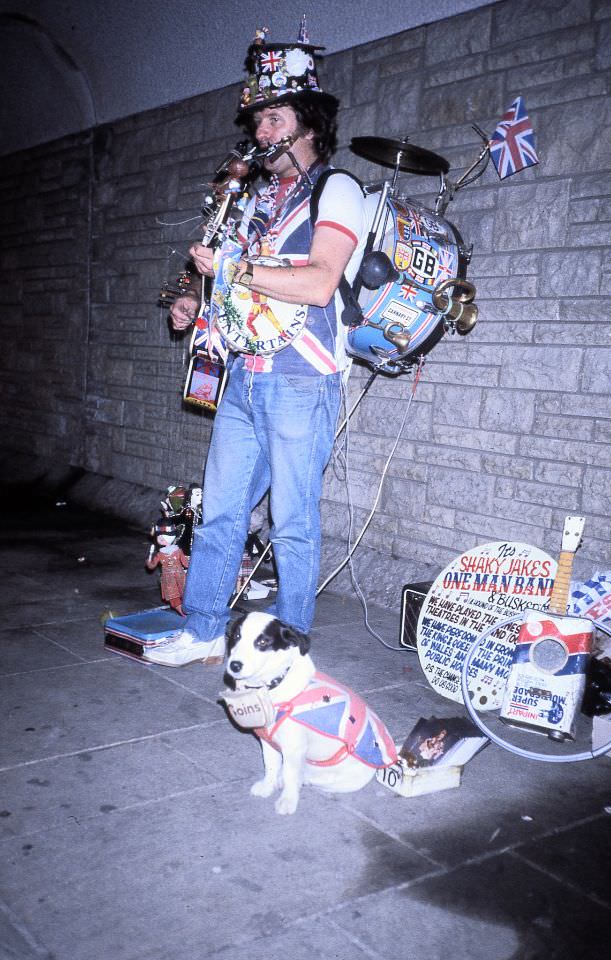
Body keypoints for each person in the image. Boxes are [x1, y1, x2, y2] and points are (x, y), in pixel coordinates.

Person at [145, 25, 367, 666]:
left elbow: (321, 282)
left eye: (276, 117)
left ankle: (292, 650)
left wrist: (232, 271)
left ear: (310, 127)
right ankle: (204, 628)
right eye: (258, 119)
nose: (262, 130)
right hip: (242, 374)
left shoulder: (338, 190)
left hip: (303, 376)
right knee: (221, 513)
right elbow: (228, 272)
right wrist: (195, 296)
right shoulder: (253, 196)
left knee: (291, 524)